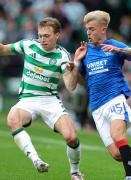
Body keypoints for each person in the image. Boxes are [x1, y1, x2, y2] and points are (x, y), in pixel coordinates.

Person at [67, 10, 131, 180]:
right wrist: (76, 63)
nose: (88, 32)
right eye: (87, 29)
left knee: (118, 136)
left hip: (115, 98)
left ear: (103, 29)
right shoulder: (84, 51)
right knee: (118, 155)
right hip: (96, 107)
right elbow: (78, 83)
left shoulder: (114, 45)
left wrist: (119, 49)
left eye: (92, 29)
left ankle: (130, 177)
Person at [0, 17, 84, 180]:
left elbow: (71, 86)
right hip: (28, 99)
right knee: (12, 119)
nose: (42, 39)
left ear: (57, 35)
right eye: (40, 35)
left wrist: (73, 71)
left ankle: (75, 172)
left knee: (72, 137)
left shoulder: (62, 56)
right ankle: (36, 160)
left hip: (49, 101)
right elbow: (3, 50)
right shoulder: (28, 45)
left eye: (46, 36)